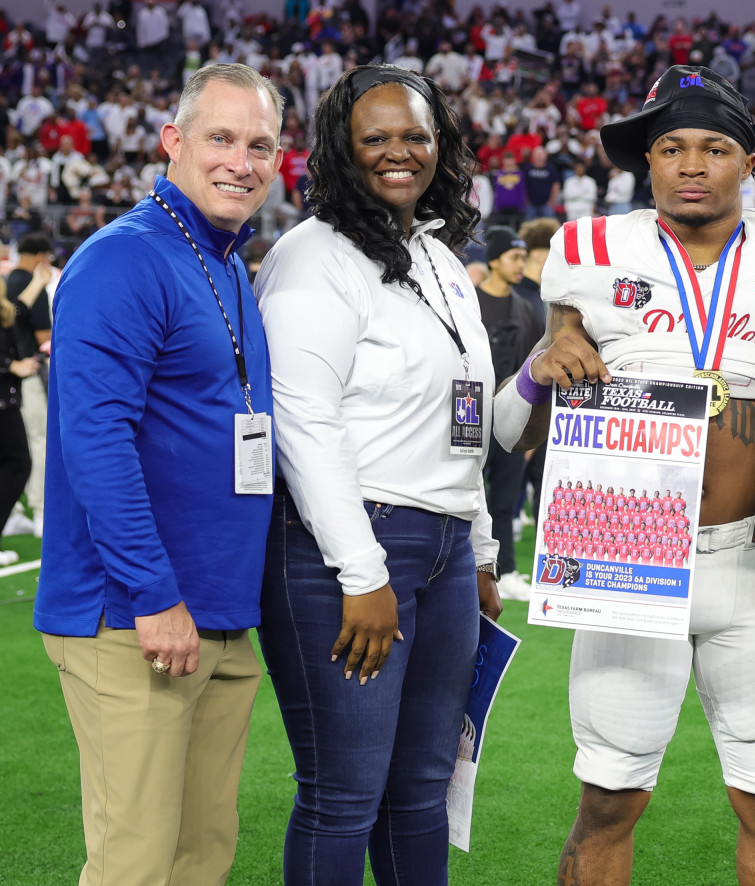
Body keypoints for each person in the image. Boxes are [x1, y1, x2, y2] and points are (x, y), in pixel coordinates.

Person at [493, 65, 755, 886]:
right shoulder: (587, 251)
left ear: (750, 163)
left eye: (715, 147)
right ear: (646, 163)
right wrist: (544, 369)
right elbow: (519, 428)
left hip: (749, 565)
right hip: (625, 564)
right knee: (607, 800)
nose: (692, 164)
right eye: (671, 148)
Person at [33, 64, 283, 886]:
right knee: (134, 865)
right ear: (173, 142)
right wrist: (152, 593)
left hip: (215, 615)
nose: (240, 162)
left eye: (260, 145)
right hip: (135, 618)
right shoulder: (124, 258)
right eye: (220, 138)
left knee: (199, 857)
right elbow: (95, 441)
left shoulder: (225, 261)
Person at [253, 66, 503, 886]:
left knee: (421, 792)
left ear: (442, 145)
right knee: (344, 794)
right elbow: (305, 425)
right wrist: (361, 573)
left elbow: (462, 422)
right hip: (350, 553)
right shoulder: (311, 257)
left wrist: (481, 547)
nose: (399, 152)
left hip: (441, 553)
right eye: (376, 137)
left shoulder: (437, 256)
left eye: (416, 135)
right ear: (340, 149)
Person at [477, 226, 543, 600]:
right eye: (514, 257)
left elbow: (531, 369)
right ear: (494, 260)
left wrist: (529, 429)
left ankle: (506, 571)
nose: (522, 264)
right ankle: (466, 568)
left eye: (523, 257)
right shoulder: (467, 300)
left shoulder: (525, 307)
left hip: (509, 419)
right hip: (466, 416)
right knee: (469, 496)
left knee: (505, 498)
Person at [4, 233, 53, 539]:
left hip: (10, 385)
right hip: (24, 378)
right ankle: (40, 512)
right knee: (35, 444)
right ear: (41, 257)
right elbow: (43, 337)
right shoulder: (29, 287)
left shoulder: (7, 281)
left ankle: (11, 513)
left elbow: (16, 310)